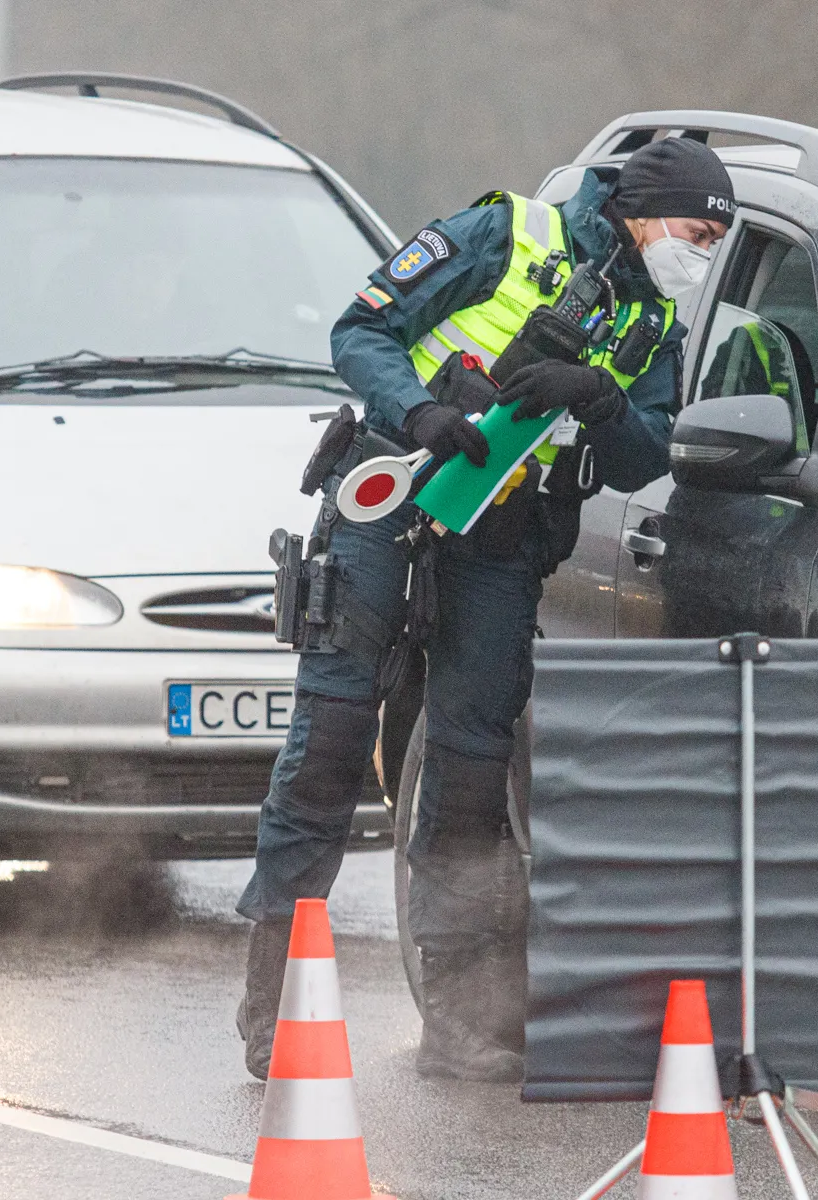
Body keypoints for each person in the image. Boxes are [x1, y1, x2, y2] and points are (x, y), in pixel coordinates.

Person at [235, 138, 735, 1082]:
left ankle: (457, 1023)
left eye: (714, 239)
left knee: (470, 769)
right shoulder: (508, 232)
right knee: (333, 741)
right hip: (394, 486)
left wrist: (596, 397)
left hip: (505, 531)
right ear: (643, 208)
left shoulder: (651, 319)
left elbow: (644, 457)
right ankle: (273, 1008)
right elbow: (359, 331)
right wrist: (422, 408)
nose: (700, 251)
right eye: (697, 229)